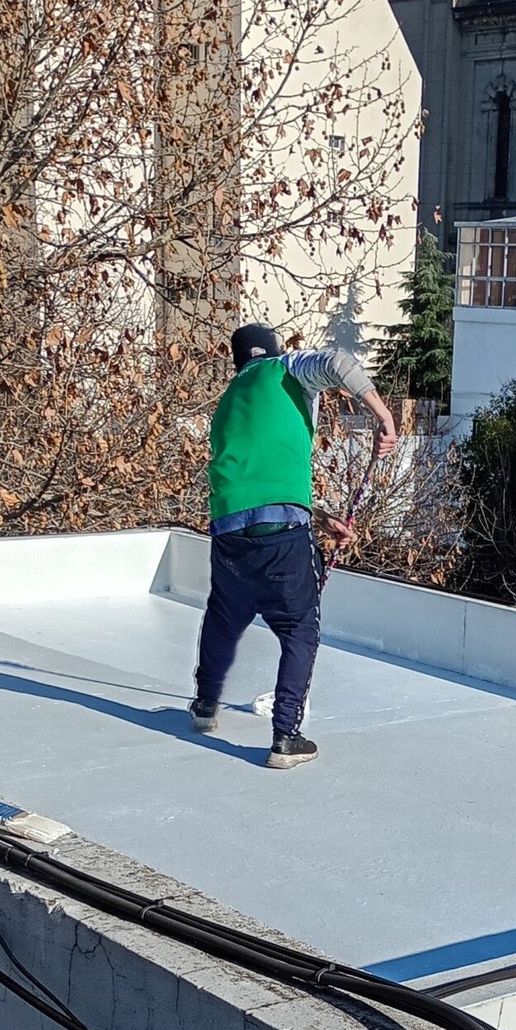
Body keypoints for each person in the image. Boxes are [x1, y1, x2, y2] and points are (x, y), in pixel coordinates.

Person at [191, 323, 397, 769]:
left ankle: (205, 706)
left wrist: (321, 519)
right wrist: (383, 415)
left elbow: (256, 485)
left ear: (237, 361)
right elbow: (338, 362)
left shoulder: (228, 403)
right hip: (282, 533)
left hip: (228, 530)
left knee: (223, 617)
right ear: (273, 350)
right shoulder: (286, 368)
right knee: (300, 627)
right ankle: (286, 736)